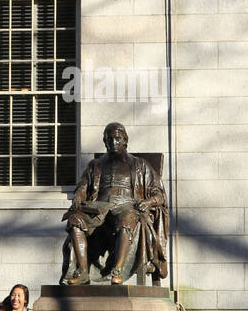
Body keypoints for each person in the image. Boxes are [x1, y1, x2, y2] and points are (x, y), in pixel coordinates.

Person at [61, 122, 168, 285]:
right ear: (104, 141)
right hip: (99, 208)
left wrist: (149, 202)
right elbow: (82, 186)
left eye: (117, 139)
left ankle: (117, 270)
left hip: (127, 206)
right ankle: (82, 271)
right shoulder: (95, 165)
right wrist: (78, 196)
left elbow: (158, 193)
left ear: (125, 140)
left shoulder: (140, 165)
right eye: (109, 139)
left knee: (128, 219)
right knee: (75, 220)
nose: (113, 142)